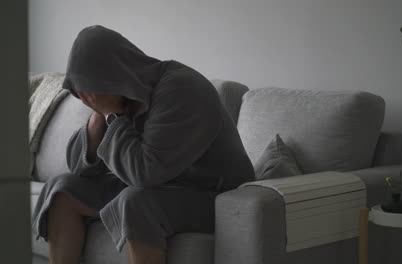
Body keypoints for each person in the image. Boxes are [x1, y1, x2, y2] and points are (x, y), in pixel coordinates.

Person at [31, 25, 255, 264]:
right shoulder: (121, 98)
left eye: (93, 91)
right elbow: (78, 168)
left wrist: (112, 114)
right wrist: (99, 114)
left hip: (215, 197)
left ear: (117, 74)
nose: (90, 98)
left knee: (136, 202)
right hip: (164, 187)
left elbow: (145, 173)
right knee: (63, 189)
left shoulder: (181, 88)